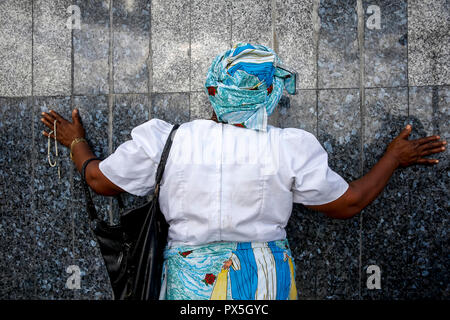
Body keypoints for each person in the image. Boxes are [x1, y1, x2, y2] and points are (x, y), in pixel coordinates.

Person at [40, 43, 446, 300]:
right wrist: (392, 158)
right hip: (264, 280)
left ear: (213, 91)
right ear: (268, 95)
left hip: (190, 285)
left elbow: (99, 181)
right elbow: (349, 202)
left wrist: (77, 142)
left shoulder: (169, 140)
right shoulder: (288, 148)